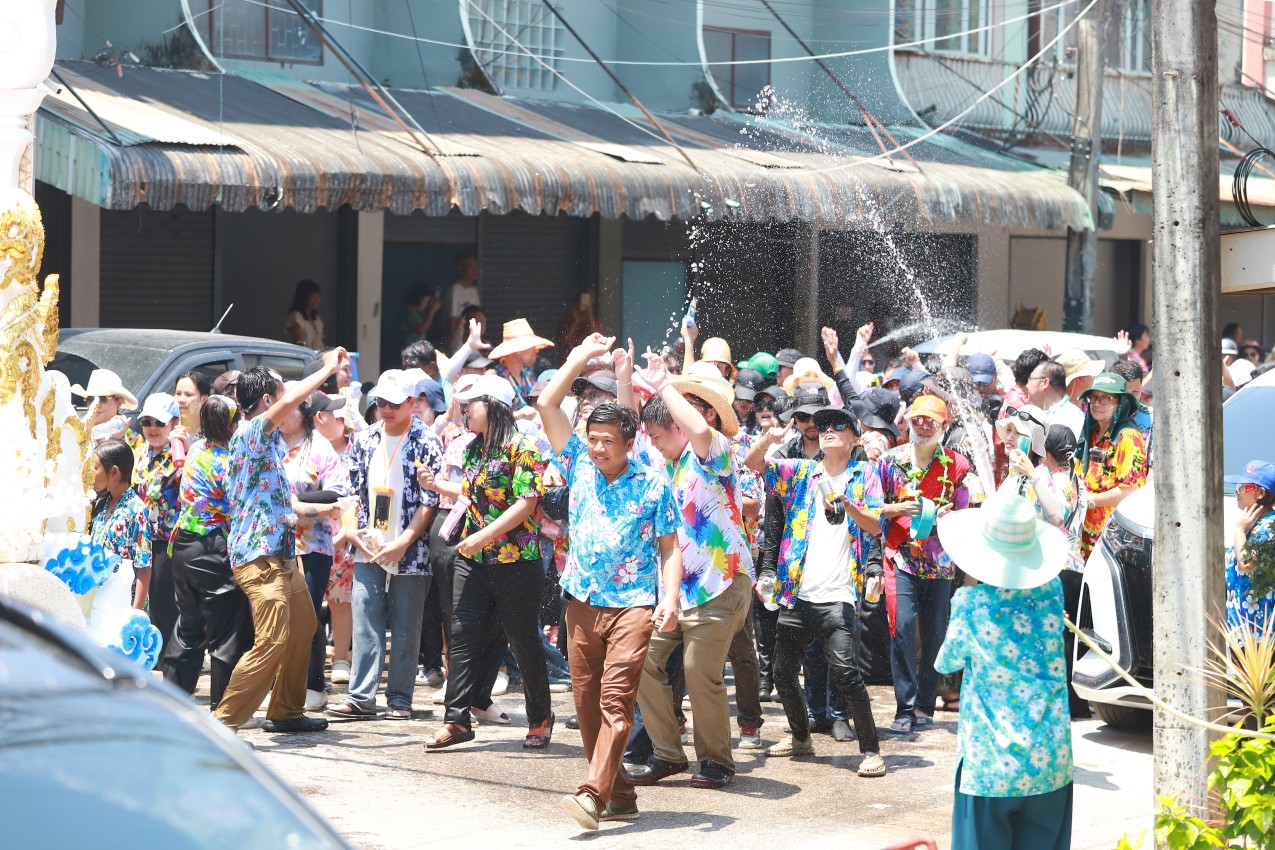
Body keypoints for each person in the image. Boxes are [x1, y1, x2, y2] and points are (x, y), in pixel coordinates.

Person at [537, 334, 682, 830]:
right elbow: (546, 404)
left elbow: (669, 549)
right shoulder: (577, 462)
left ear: (629, 443)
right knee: (585, 705)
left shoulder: (653, 484)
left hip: (633, 606)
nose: (598, 448)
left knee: (615, 702)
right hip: (580, 600)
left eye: (608, 441)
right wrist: (580, 356)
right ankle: (621, 793)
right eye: (593, 438)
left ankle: (591, 794)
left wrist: (670, 599)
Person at [628, 351, 754, 791]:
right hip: (675, 591)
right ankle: (667, 754)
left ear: (680, 426)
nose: (653, 443)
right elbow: (633, 440)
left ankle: (717, 761)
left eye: (658, 435)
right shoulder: (664, 463)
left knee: (700, 670)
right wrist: (627, 380)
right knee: (640, 659)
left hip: (721, 584)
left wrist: (664, 385)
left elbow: (698, 430)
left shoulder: (715, 450)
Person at [212, 347, 349, 734]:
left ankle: (286, 711)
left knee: (304, 627)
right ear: (268, 400)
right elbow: (292, 398)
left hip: (282, 556)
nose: (290, 397)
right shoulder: (251, 432)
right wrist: (326, 368)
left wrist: (328, 509)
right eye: (281, 391)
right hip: (259, 559)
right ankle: (222, 726)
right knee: (271, 639)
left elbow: (285, 504)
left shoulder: (269, 444)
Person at [744, 405, 887, 776]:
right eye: (822, 425)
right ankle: (800, 738)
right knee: (782, 673)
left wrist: (847, 504)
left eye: (838, 425)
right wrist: (768, 439)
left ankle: (871, 751)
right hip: (798, 593)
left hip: (839, 596)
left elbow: (874, 526)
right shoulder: (802, 472)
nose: (827, 429)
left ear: (854, 439)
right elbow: (752, 463)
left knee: (847, 673)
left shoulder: (864, 474)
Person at [418, 374, 553, 750]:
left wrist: (484, 535)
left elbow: (526, 503)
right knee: (461, 634)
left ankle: (540, 718)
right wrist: (435, 485)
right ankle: (456, 720)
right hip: (473, 556)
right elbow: (470, 492)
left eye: (470, 404)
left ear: (493, 406)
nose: (463, 411)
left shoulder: (522, 446)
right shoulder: (473, 448)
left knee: (522, 639)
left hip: (516, 560)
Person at [935, 493, 1074, 850]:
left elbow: (946, 663)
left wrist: (967, 584)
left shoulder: (970, 604)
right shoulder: (1053, 592)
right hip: (1049, 757)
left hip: (990, 764)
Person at [326, 370, 443, 722]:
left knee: (406, 624)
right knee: (365, 618)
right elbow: (350, 491)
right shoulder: (365, 439)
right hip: (368, 542)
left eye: (394, 403)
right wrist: (351, 530)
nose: (386, 409)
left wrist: (404, 542)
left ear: (412, 403)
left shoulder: (427, 441)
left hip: (412, 548)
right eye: (380, 402)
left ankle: (400, 699)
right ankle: (361, 697)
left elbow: (430, 500)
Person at [877, 394, 971, 734]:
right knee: (901, 627)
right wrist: (900, 510)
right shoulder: (889, 461)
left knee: (935, 634)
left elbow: (965, 513)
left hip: (940, 561)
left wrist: (948, 518)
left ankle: (924, 704)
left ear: (945, 426)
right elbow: (873, 507)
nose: (924, 426)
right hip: (899, 555)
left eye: (932, 421)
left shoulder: (958, 466)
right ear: (907, 423)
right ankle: (904, 706)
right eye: (918, 420)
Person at [160, 395, 251, 711]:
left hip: (183, 545)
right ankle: (224, 709)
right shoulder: (231, 462)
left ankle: (171, 701)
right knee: (225, 632)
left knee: (188, 625)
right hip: (214, 548)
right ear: (232, 425)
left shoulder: (196, 450)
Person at [279, 387, 350, 711]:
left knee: (306, 615)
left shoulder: (319, 447)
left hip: (312, 546)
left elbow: (338, 494)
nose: (282, 414)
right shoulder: (269, 442)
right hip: (272, 543)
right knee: (276, 615)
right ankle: (280, 683)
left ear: (305, 414)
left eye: (290, 408)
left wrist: (296, 504)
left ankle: (313, 684)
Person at [133, 392, 189, 654]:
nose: (152, 428)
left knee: (165, 603)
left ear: (174, 423)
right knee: (143, 602)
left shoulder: (182, 453)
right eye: (147, 422)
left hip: (168, 543)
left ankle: (170, 659)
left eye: (159, 422)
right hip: (139, 540)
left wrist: (185, 451)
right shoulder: (138, 451)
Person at [1077, 373, 1149, 558]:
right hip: (1085, 535)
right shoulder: (1091, 433)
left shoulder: (1128, 438)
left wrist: (1089, 501)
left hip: (1112, 540)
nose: (1096, 404)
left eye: (1104, 398)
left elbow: (1131, 490)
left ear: (1120, 403)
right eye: (1093, 398)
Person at [89, 439, 151, 610]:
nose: (89, 473)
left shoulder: (136, 509)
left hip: (122, 603)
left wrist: (136, 612)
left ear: (114, 472)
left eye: (95, 468)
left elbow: (144, 567)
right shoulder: (101, 503)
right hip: (99, 599)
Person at [1225, 460, 1275, 633]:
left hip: (1260, 633)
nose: (1237, 491)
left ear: (1261, 492)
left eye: (1243, 486)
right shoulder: (1253, 526)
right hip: (1241, 628)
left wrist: (1239, 530)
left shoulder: (1270, 526)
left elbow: (1247, 565)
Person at [489, 318, 555, 409]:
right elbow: (492, 414)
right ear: (517, 350)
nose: (536, 350)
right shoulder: (494, 378)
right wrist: (518, 415)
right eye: (530, 346)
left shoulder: (529, 375)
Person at [71, 368, 139, 445]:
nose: (96, 405)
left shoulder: (135, 442)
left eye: (103, 399)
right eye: (91, 399)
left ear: (118, 401)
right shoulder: (75, 435)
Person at [1026, 359, 1084, 440]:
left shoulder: (1072, 416)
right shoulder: (1036, 412)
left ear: (1045, 382)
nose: (1027, 385)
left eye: (1031, 379)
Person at [447, 251, 481, 350]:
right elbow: (452, 319)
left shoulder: (474, 290)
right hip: (459, 342)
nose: (475, 270)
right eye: (471, 267)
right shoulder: (455, 290)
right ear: (460, 269)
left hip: (473, 340)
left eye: (476, 267)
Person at [284, 279, 324, 349]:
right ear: (303, 296)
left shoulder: (317, 319)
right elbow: (301, 346)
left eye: (318, 296)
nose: (317, 300)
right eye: (313, 296)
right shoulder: (296, 317)